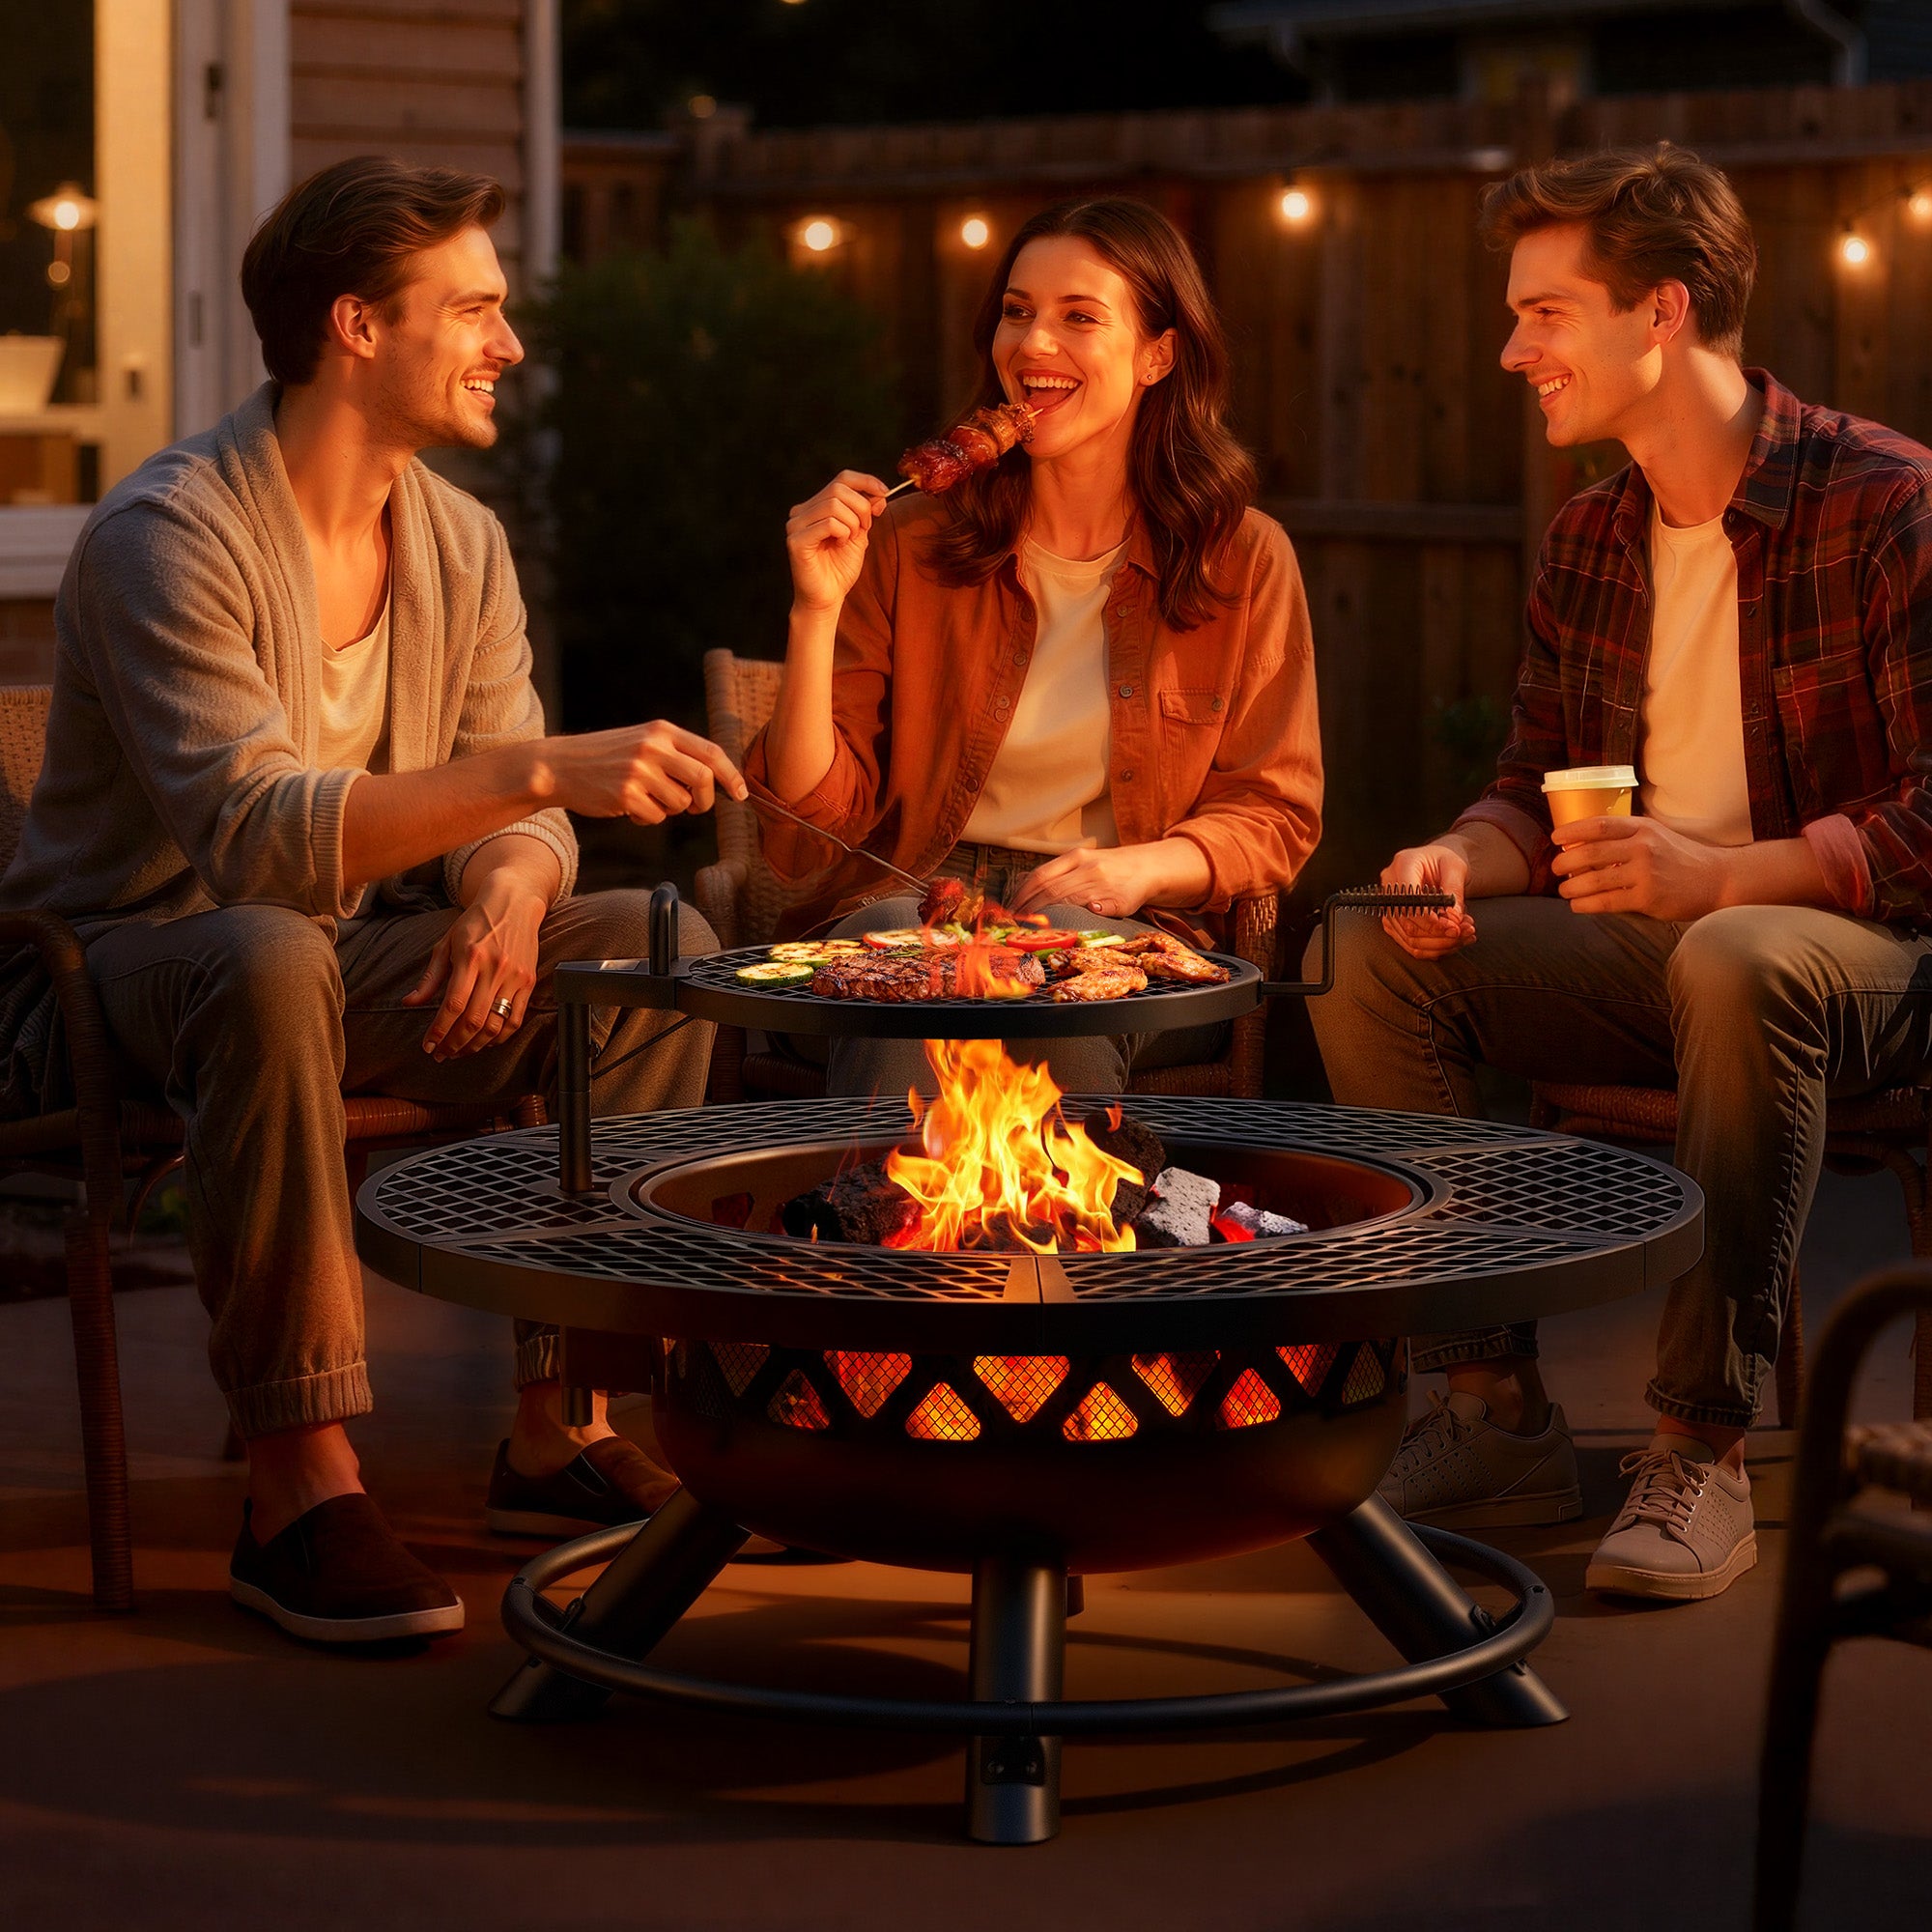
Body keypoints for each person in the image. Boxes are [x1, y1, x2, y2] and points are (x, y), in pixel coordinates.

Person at [0, 157, 746, 1643]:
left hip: (323, 965)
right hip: (105, 985)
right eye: (474, 309)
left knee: (657, 938)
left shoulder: (458, 542)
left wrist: (516, 894)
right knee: (276, 952)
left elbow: (518, 835)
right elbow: (264, 842)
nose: (508, 345)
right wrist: (536, 774)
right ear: (356, 324)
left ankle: (560, 1420)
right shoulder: (171, 536)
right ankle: (301, 1487)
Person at [1311, 146, 1932, 1604]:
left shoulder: (1887, 501)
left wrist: (1722, 878)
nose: (1511, 347)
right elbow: (1534, 783)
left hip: (1875, 959)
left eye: (1544, 312)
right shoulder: (1595, 535)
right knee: (1364, 944)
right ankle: (1486, 1407)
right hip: (1669, 951)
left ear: (1659, 312)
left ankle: (1699, 1447)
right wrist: (1456, 856)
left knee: (1736, 954)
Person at [747, 196, 1321, 1098]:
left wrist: (1136, 871)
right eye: (1017, 312)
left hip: (1115, 912)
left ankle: (1064, 1235)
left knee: (1062, 1000)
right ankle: (881, 1232)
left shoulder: (1242, 560)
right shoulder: (909, 542)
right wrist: (814, 611)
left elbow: (1275, 811)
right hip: (910, 890)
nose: (1032, 345)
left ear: (1158, 356)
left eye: (1079, 317)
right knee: (915, 990)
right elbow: (806, 832)